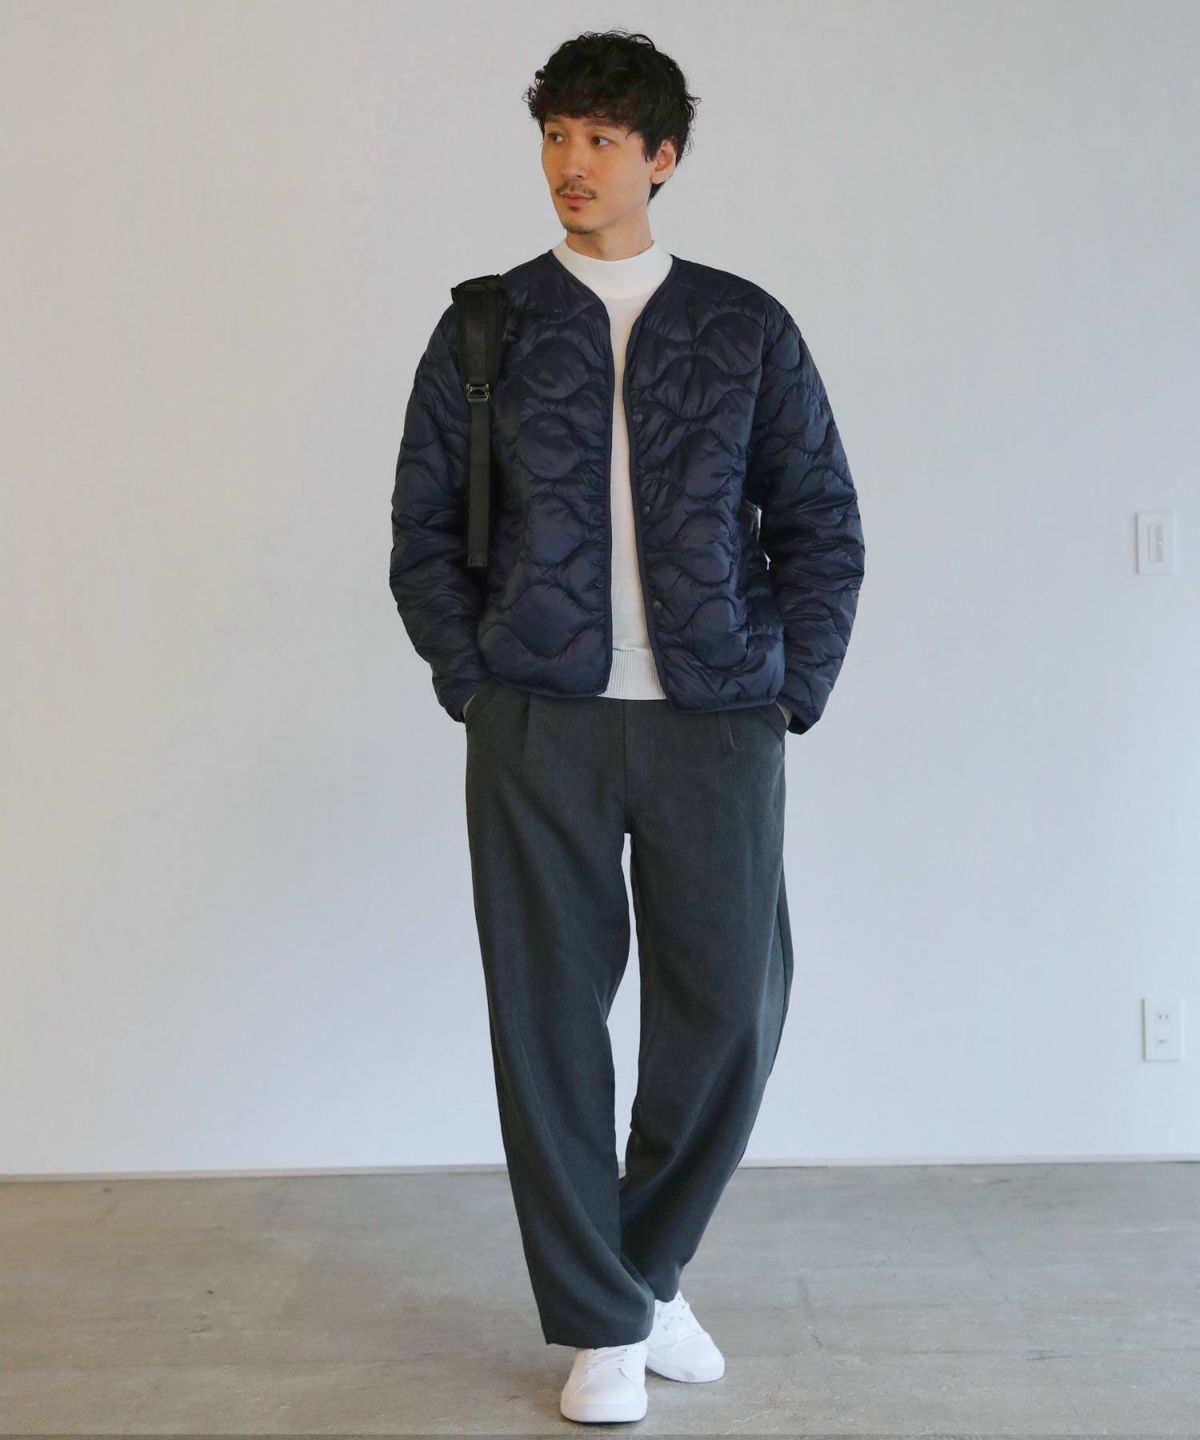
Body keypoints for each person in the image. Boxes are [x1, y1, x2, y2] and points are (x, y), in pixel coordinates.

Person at [389, 29, 866, 1425]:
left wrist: (789, 687)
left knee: (730, 1011)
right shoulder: (486, 324)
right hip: (539, 722)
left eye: (602, 138)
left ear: (662, 158)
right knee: (547, 1022)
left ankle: (644, 1272)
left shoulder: (743, 325)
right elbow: (423, 531)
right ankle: (604, 1325)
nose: (572, 162)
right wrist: (474, 683)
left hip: (715, 721)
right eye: (556, 135)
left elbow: (822, 521)